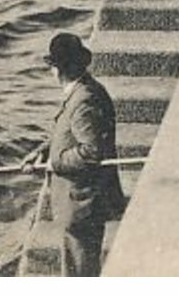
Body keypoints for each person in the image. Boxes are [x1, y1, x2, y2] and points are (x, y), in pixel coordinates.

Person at [20, 33, 126, 277]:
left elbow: (91, 152)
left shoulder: (83, 101)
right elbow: (66, 135)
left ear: (59, 69)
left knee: (80, 273)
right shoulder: (84, 90)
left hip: (83, 202)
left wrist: (53, 162)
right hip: (81, 202)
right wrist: (41, 152)